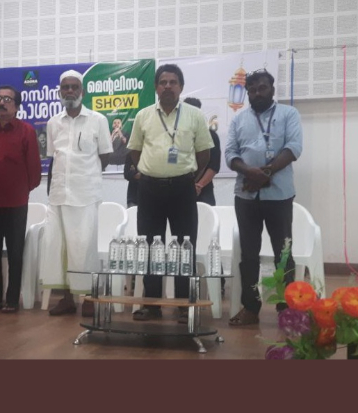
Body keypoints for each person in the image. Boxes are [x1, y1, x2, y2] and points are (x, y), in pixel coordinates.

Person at [127, 64, 213, 323]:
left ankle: (184, 305)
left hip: (182, 189)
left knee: (184, 246)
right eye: (163, 82)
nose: (167, 86)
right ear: (156, 87)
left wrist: (189, 177)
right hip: (149, 189)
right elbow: (135, 150)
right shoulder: (143, 115)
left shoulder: (194, 116)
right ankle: (152, 304)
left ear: (181, 87)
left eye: (173, 82)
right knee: (150, 246)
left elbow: (204, 153)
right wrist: (150, 171)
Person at [226, 69, 302, 326]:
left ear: (272, 89)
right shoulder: (238, 119)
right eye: (252, 89)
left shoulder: (289, 114)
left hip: (279, 195)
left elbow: (294, 148)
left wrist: (265, 173)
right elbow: (230, 154)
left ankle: (286, 309)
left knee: (283, 253)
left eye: (262, 88)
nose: (257, 93)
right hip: (246, 196)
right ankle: (250, 307)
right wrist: (250, 172)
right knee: (249, 254)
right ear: (247, 92)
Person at [41, 70, 113, 316]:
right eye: (65, 87)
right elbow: (54, 158)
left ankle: (90, 297)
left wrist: (85, 177)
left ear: (82, 91)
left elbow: (105, 156)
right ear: (60, 91)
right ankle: (67, 299)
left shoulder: (97, 120)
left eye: (74, 87)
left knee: (84, 248)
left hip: (86, 195)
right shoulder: (53, 123)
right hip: (59, 195)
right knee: (59, 247)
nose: (69, 91)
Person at [0, 85, 41, 313]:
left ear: (17, 106)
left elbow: (34, 169)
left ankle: (12, 299)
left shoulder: (26, 131)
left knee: (15, 252)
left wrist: (20, 190)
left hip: (15, 202)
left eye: (7, 99)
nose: (1, 103)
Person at [183, 97, 221, 206]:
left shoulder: (211, 135)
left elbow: (214, 167)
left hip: (203, 190)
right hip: (179, 189)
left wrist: (198, 186)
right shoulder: (176, 135)